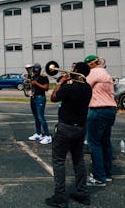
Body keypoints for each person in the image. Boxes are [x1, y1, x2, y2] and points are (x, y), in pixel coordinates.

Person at [45, 62, 93, 208]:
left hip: (66, 128)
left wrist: (60, 82)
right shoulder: (87, 88)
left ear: (77, 71)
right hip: (80, 128)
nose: (71, 71)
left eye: (73, 69)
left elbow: (53, 97)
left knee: (59, 161)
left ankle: (60, 197)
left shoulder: (69, 86)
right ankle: (82, 193)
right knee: (78, 161)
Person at [84, 54, 117, 187]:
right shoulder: (105, 73)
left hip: (98, 110)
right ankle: (107, 174)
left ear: (91, 64)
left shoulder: (93, 72)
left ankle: (99, 177)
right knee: (105, 142)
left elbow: (84, 87)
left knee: (94, 144)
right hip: (110, 109)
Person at [28, 63, 52, 144]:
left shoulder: (44, 77)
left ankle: (48, 136)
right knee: (36, 117)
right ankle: (38, 134)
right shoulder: (33, 77)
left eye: (36, 70)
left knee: (41, 117)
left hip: (40, 98)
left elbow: (46, 88)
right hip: (33, 97)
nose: (35, 72)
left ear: (40, 70)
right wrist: (28, 83)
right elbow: (29, 87)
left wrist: (36, 83)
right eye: (34, 70)